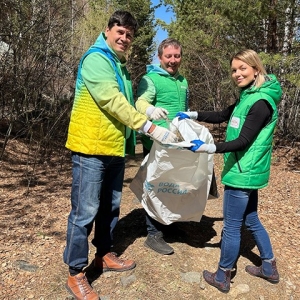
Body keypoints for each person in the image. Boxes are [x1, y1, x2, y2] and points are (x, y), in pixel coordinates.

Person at [63, 11, 178, 300]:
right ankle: (76, 273)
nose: (124, 38)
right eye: (120, 32)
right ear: (107, 30)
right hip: (91, 148)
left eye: (129, 35)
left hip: (113, 148)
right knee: (84, 212)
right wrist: (150, 127)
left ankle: (104, 254)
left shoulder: (119, 64)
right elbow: (111, 101)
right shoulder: (96, 59)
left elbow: (128, 103)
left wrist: (147, 111)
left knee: (109, 208)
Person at [177, 49, 281, 293]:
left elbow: (242, 141)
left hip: (242, 172)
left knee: (233, 226)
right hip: (248, 170)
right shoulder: (249, 96)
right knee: (251, 219)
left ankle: (223, 275)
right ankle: (269, 266)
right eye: (234, 70)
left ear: (256, 69)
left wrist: (207, 148)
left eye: (242, 68)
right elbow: (224, 115)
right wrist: (193, 114)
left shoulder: (260, 103)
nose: (237, 74)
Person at [135, 38, 189, 255]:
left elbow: (185, 108)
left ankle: (169, 225)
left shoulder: (183, 81)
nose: (173, 60)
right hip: (155, 143)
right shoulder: (151, 79)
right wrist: (150, 111)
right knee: (155, 186)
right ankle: (153, 233)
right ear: (160, 57)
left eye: (177, 56)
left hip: (177, 142)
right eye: (169, 56)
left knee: (173, 186)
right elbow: (139, 103)